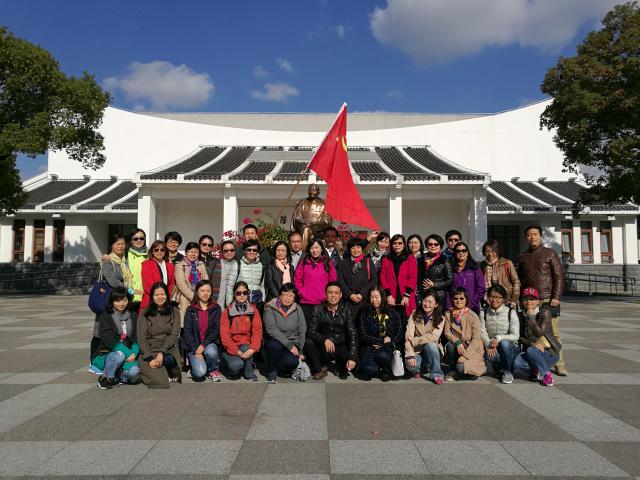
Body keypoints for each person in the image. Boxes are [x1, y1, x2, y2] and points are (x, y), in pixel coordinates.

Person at [518, 225, 566, 376]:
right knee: (529, 332)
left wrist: (556, 296)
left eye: (535, 234)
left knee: (553, 333)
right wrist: (520, 299)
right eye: (529, 234)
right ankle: (533, 363)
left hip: (547, 299)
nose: (532, 237)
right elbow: (520, 279)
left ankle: (559, 364)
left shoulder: (550, 253)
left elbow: (558, 276)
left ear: (540, 236)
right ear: (526, 237)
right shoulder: (523, 256)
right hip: (529, 300)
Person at [305, 282, 358, 380]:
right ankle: (320, 368)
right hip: (323, 345)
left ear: (340, 295)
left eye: (336, 293)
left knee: (343, 373)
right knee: (309, 342)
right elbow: (311, 330)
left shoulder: (346, 309)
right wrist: (325, 339)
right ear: (325, 294)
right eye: (330, 292)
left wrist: (352, 356)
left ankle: (339, 365)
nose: (333, 295)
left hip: (339, 344)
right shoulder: (317, 309)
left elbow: (352, 333)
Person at [91, 286, 141, 389]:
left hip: (130, 352)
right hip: (111, 352)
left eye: (125, 300)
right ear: (112, 301)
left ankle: (120, 376)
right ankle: (108, 377)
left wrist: (134, 353)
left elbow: (136, 337)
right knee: (119, 355)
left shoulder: (133, 315)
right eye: (117, 300)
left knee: (135, 372)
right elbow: (109, 339)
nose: (121, 304)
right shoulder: (105, 316)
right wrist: (128, 353)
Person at [137, 282, 182, 388]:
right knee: (160, 381)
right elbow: (141, 337)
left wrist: (161, 352)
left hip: (168, 348)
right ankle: (163, 372)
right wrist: (149, 358)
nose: (160, 297)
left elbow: (174, 335)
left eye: (162, 294)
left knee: (168, 371)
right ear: (152, 297)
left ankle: (170, 367)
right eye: (156, 295)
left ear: (167, 295)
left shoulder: (174, 311)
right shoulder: (145, 313)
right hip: (149, 349)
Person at [515, 287, 561, 387]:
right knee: (517, 363)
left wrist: (531, 317)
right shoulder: (520, 315)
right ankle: (536, 369)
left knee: (531, 350)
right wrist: (532, 343)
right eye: (526, 299)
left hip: (549, 352)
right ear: (522, 301)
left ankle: (546, 374)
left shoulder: (545, 313)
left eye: (532, 299)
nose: (529, 302)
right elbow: (519, 337)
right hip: (531, 352)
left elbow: (539, 333)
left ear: (538, 301)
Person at [262, 282, 307, 384]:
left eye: (291, 296)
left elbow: (302, 329)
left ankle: (280, 366)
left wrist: (301, 350)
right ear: (280, 295)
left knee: (292, 363)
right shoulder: (269, 307)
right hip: (275, 341)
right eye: (285, 294)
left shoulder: (297, 308)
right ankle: (272, 370)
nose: (288, 298)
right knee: (274, 346)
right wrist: (289, 345)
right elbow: (271, 330)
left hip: (292, 342)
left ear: (294, 298)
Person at [220, 281, 263, 381]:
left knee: (247, 347)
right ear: (234, 294)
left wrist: (253, 349)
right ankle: (233, 369)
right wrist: (237, 352)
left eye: (245, 292)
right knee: (236, 365)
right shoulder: (227, 312)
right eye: (238, 293)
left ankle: (249, 373)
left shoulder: (253, 310)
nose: (242, 295)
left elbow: (257, 332)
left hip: (246, 345)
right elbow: (225, 337)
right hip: (231, 347)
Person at [359, 286, 403, 381]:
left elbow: (399, 333)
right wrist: (380, 341)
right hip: (370, 347)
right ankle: (377, 369)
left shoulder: (393, 313)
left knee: (383, 356)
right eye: (371, 297)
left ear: (382, 297)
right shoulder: (365, 313)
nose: (374, 300)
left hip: (387, 347)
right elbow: (363, 335)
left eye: (376, 297)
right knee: (369, 371)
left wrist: (387, 343)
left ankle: (386, 370)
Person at [182, 280, 223, 382]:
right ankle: (192, 365)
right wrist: (195, 348)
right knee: (200, 373)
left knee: (212, 352)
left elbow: (216, 329)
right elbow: (187, 332)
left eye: (208, 291)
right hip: (194, 345)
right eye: (202, 291)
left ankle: (213, 369)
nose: (205, 293)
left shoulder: (216, 308)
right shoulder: (190, 310)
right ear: (197, 292)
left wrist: (203, 345)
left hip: (208, 343)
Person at [443, 287, 486, 381]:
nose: (458, 301)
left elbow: (476, 338)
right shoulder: (448, 314)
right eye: (456, 298)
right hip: (458, 345)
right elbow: (447, 332)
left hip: (472, 346)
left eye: (462, 298)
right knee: (450, 346)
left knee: (462, 367)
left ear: (466, 299)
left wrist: (465, 355)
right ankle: (452, 371)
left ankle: (468, 370)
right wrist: (457, 342)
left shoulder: (473, 315)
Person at [479, 285, 520, 384]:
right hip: (493, 346)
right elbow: (482, 332)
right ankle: (499, 367)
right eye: (492, 296)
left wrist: (498, 338)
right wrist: (489, 344)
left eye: (498, 297)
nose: (494, 300)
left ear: (503, 299)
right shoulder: (483, 313)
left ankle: (508, 371)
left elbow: (515, 335)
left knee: (504, 343)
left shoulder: (511, 312)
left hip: (511, 347)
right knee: (489, 355)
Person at [405, 290, 445, 384]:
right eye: (425, 300)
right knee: (411, 367)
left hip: (431, 350)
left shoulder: (441, 318)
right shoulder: (414, 314)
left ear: (436, 304)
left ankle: (437, 374)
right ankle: (420, 367)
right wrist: (410, 355)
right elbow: (408, 335)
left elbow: (434, 336)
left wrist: (415, 340)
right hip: (417, 349)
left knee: (431, 345)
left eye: (430, 302)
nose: (427, 304)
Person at [293, 238, 337, 322]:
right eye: (312, 248)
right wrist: (301, 292)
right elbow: (297, 279)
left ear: (321, 249)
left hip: (323, 302)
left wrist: (327, 295)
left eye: (316, 247)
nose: (314, 250)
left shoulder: (327, 262)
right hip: (306, 302)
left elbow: (332, 280)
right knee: (307, 327)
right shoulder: (304, 262)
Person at [337, 236, 376, 320]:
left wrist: (362, 294)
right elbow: (340, 281)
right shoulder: (343, 263)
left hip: (364, 300)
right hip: (348, 301)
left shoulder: (368, 262)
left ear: (362, 248)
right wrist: (350, 295)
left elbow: (374, 280)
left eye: (358, 247)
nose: (356, 250)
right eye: (353, 248)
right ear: (349, 249)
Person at [379, 234, 417, 321]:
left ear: (404, 245)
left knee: (406, 321)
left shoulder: (410, 258)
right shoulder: (386, 259)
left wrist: (406, 295)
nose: (397, 245)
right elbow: (383, 278)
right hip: (391, 297)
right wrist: (388, 295)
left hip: (406, 296)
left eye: (400, 243)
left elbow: (413, 278)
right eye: (394, 243)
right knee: (391, 321)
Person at [174, 242, 209, 327]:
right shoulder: (180, 264)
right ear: (186, 252)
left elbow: (206, 281)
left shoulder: (201, 265)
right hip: (185, 299)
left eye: (196, 252)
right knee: (186, 324)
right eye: (191, 251)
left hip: (200, 299)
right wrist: (194, 298)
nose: (193, 254)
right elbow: (181, 284)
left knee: (199, 325)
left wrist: (202, 296)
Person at [446, 241, 485, 315]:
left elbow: (481, 288)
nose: (461, 253)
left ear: (467, 253)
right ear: (454, 253)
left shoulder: (475, 268)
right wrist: (449, 306)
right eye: (458, 251)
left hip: (471, 308)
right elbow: (447, 289)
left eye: (464, 250)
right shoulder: (450, 268)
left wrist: (470, 304)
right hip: (454, 308)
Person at [227, 238, 265, 313]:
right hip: (241, 300)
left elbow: (262, 285)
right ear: (244, 251)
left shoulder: (261, 266)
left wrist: (263, 300)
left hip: (257, 302)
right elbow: (230, 286)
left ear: (257, 252)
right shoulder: (237, 264)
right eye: (249, 250)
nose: (251, 252)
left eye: (254, 250)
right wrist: (229, 305)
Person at [480, 239, 521, 308]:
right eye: (487, 251)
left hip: (506, 300)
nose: (490, 254)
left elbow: (516, 282)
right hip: (489, 301)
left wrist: (514, 300)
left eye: (493, 251)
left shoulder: (507, 263)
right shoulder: (482, 265)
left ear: (498, 251)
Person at [291, 183, 333, 248]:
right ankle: (304, 250)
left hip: (318, 230)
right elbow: (297, 217)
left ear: (318, 192)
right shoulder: (303, 203)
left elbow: (327, 221)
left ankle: (304, 250)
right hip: (304, 228)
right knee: (306, 229)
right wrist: (303, 223)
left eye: (314, 190)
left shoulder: (323, 205)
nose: (311, 192)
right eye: (310, 190)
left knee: (307, 229)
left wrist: (314, 224)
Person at [417, 233, 453, 304]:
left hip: (438, 297)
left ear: (440, 246)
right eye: (430, 244)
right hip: (422, 296)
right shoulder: (420, 260)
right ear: (426, 246)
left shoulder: (445, 260)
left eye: (436, 244)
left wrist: (434, 284)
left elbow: (450, 280)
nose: (433, 246)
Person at [140, 240, 175, 311]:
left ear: (165, 251)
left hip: (166, 300)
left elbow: (171, 284)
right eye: (156, 250)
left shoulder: (170, 265)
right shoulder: (147, 264)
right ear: (152, 251)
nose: (159, 252)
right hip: (151, 300)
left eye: (162, 250)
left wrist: (165, 297)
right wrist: (159, 297)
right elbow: (148, 285)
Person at [127, 228, 147, 313]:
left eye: (141, 238)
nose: (139, 241)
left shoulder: (150, 254)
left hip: (145, 297)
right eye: (135, 239)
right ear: (131, 240)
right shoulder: (125, 254)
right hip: (129, 297)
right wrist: (131, 291)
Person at [199, 234, 223, 302]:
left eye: (209, 245)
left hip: (208, 296)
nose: (207, 247)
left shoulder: (216, 261)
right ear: (199, 245)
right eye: (204, 244)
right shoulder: (193, 260)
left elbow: (216, 282)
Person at [218, 240, 238, 307]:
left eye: (232, 250)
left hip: (234, 303)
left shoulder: (239, 265)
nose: (229, 252)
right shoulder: (216, 264)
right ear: (222, 252)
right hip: (218, 303)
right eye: (226, 250)